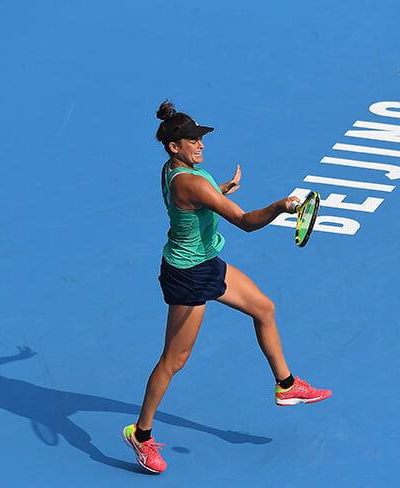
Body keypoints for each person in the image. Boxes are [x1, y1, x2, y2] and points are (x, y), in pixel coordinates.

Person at [121, 100, 331, 473]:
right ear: (175, 147)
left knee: (264, 308)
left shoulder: (175, 170)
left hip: (206, 264)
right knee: (174, 361)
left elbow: (197, 199)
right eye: (193, 141)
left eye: (201, 139)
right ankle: (141, 435)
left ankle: (286, 385)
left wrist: (219, 190)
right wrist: (282, 206)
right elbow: (247, 223)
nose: (201, 145)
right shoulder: (189, 182)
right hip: (188, 275)